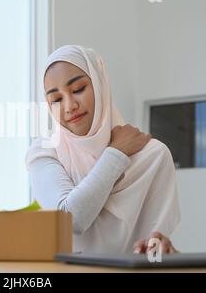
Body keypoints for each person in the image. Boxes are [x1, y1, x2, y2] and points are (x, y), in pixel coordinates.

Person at [26, 45, 181, 254]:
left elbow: (154, 249)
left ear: (100, 84)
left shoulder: (153, 156)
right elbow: (67, 221)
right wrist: (116, 153)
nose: (69, 106)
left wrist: (162, 250)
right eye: (56, 99)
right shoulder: (45, 151)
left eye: (78, 89)